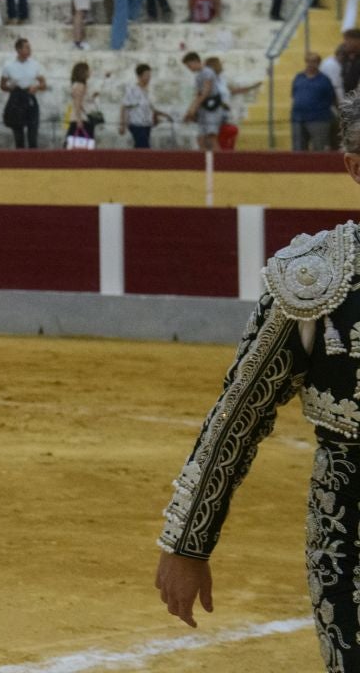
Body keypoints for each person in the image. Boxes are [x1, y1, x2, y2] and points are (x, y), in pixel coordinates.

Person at [155, 104, 360, 648]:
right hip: (352, 537)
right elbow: (240, 412)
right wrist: (188, 543)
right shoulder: (317, 277)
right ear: (354, 167)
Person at [0, 38, 47, 149]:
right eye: (27, 48)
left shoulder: (35, 64)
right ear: (18, 49)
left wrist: (37, 87)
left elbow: (43, 83)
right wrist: (10, 87)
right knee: (18, 135)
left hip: (29, 96)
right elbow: (2, 85)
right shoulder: (9, 65)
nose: (30, 50)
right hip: (16, 98)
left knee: (33, 133)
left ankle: (34, 160)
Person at [292, 52, 339, 152]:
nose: (310, 64)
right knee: (298, 150)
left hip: (319, 119)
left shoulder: (324, 80)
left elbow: (332, 98)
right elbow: (294, 94)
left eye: (314, 61)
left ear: (318, 63)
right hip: (298, 119)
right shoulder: (299, 77)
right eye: (308, 61)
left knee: (318, 149)